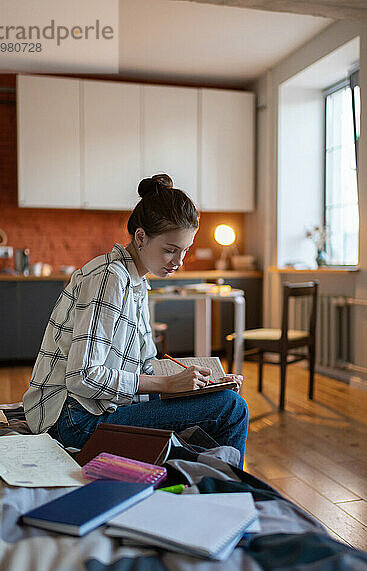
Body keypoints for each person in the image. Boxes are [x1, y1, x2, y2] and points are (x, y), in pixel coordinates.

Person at [23, 174, 249, 467]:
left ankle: (203, 478)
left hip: (95, 407)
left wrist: (202, 383)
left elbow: (142, 366)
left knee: (219, 400)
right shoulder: (109, 278)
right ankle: (222, 490)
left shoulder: (137, 282)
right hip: (73, 420)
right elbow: (83, 377)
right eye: (170, 249)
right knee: (232, 409)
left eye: (185, 250)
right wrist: (167, 384)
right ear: (141, 237)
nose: (179, 261)